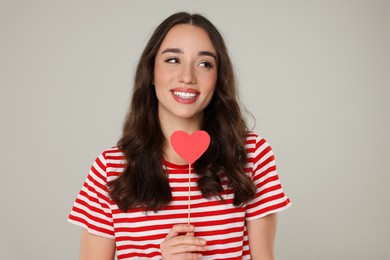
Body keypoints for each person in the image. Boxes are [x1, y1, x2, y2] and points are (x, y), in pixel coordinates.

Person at [68, 12, 291, 260]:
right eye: (173, 60)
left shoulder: (250, 155)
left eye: (204, 63)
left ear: (218, 78)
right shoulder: (110, 169)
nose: (187, 77)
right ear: (151, 72)